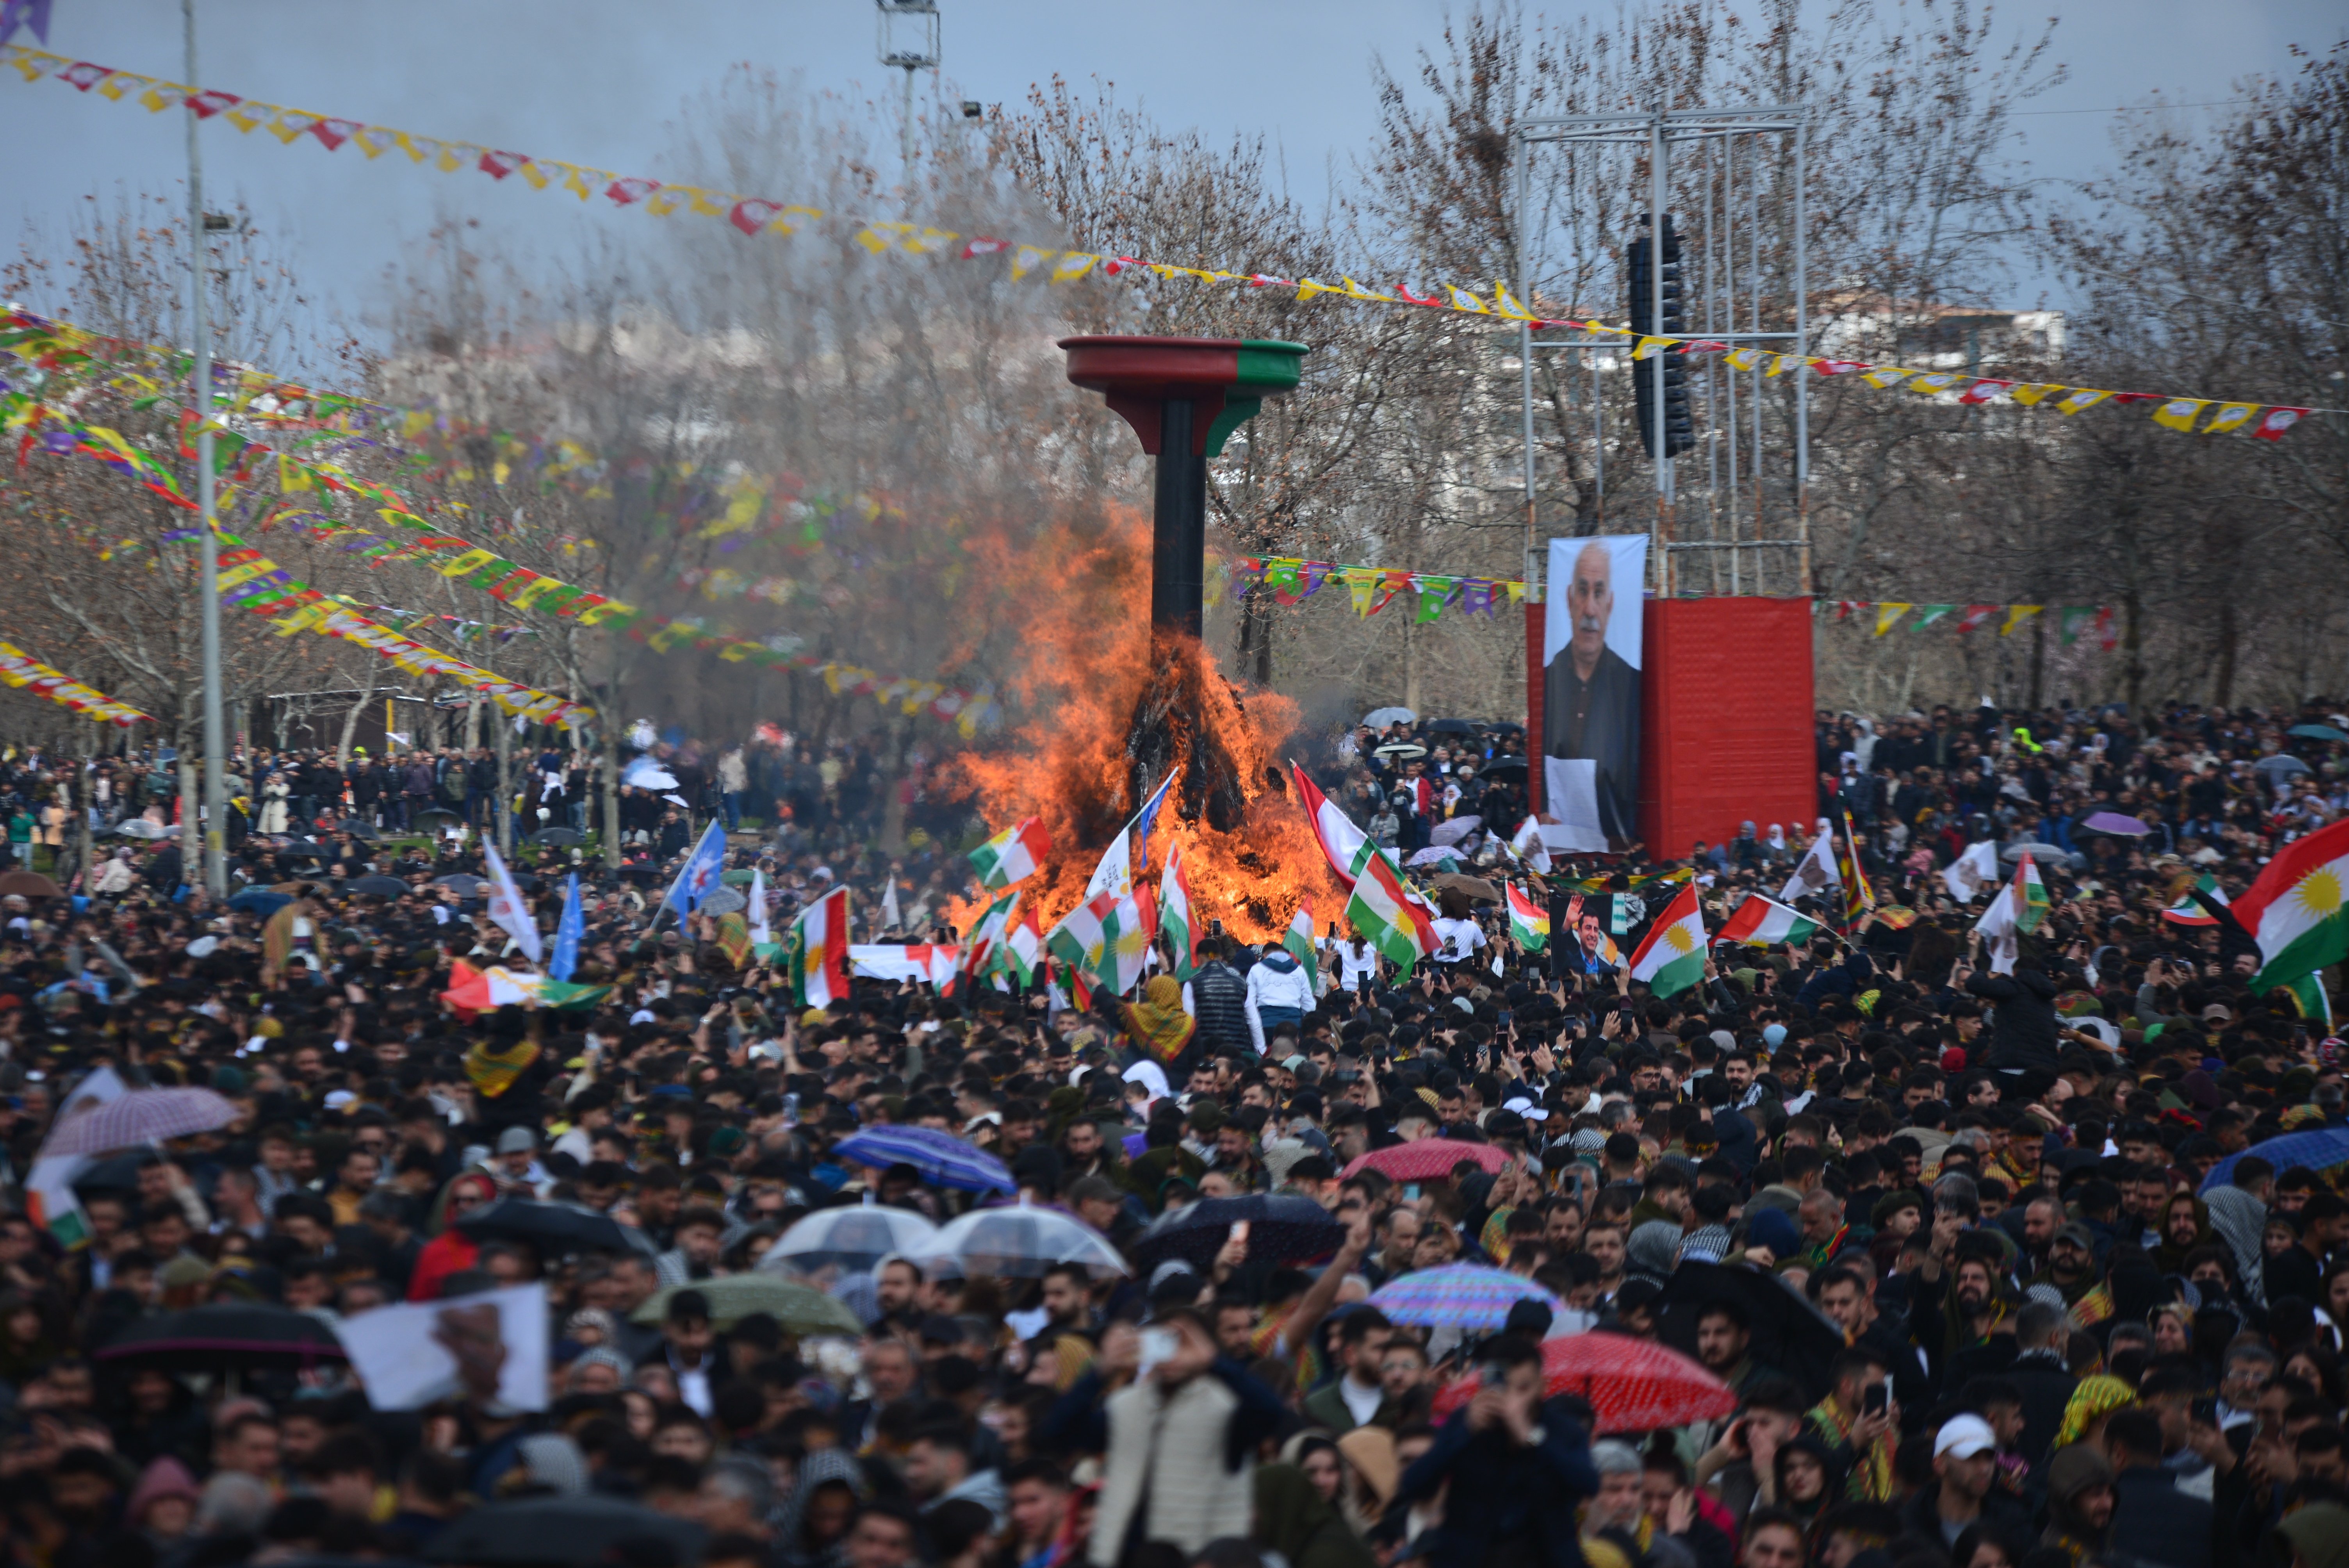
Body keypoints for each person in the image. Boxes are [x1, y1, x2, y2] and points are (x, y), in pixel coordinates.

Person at [1390, 1334, 1600, 1568]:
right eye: (1503, 1385)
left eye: (1522, 1388)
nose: (1511, 1397)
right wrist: (1464, 1434)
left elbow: (1588, 1483)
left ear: (1542, 1387)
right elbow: (1414, 1485)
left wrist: (1530, 1437)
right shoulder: (1465, 1423)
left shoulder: (1562, 1430)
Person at [1543, 540, 1640, 842]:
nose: (1589, 609)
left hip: (1614, 837)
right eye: (1583, 591)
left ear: (1610, 604)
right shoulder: (1550, 679)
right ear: (1570, 599)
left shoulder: (1630, 683)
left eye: (1598, 593)